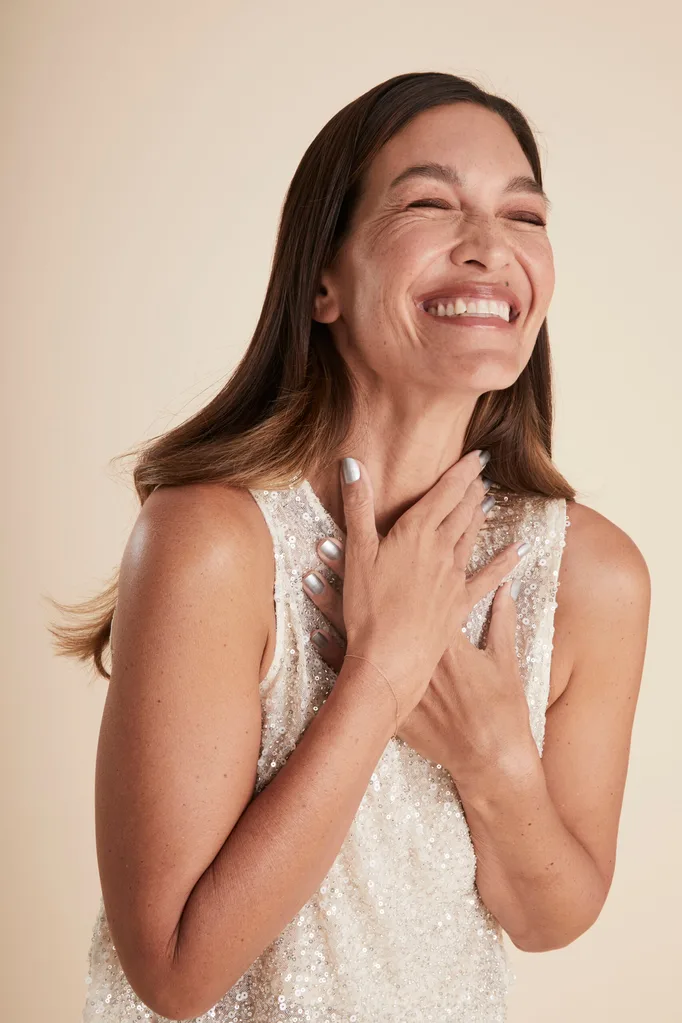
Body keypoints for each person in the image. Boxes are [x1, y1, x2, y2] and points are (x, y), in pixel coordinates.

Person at [51, 71, 651, 1023]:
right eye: (429, 202)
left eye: (524, 216)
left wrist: (492, 753)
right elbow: (172, 972)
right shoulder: (213, 541)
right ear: (322, 281)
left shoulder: (594, 576)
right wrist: (382, 675)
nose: (491, 246)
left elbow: (549, 917)